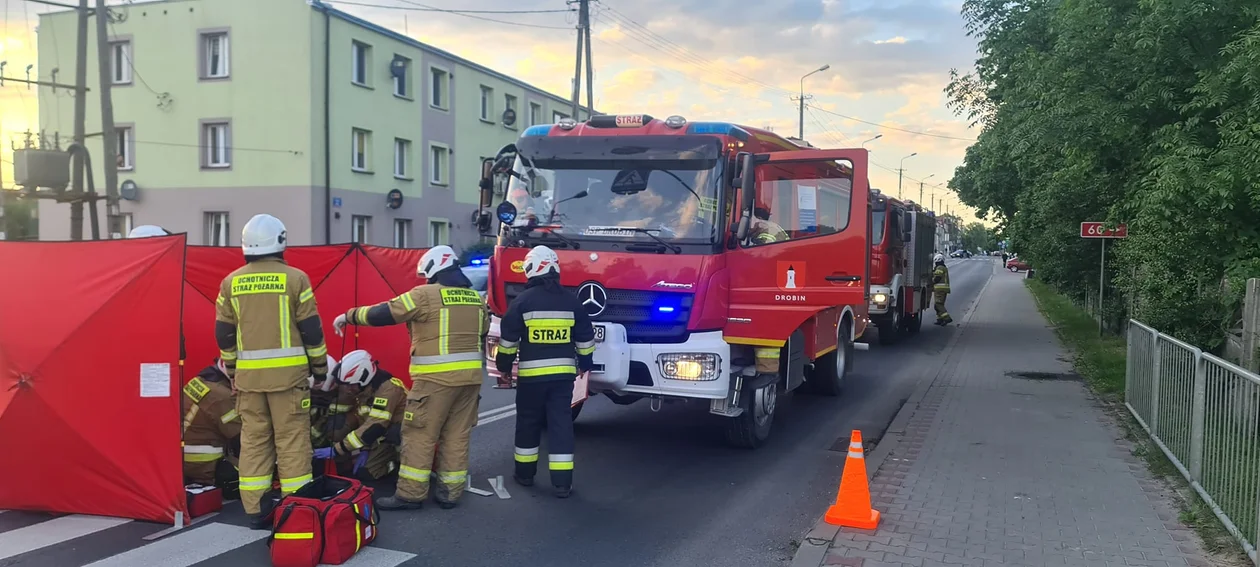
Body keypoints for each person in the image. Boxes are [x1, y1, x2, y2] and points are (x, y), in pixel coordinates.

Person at [333, 245, 488, 511]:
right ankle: (450, 493)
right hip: (471, 381)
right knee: (456, 435)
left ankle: (410, 494)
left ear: (433, 271)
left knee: (419, 435)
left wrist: (349, 316)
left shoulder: (424, 295)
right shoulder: (475, 299)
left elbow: (385, 312)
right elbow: (482, 333)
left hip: (434, 381)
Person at [215, 213, 329, 528]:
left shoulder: (231, 282)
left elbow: (223, 333)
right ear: (280, 241)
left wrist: (233, 370)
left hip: (249, 381)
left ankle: (255, 509)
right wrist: (320, 370)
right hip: (289, 379)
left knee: (253, 440)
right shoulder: (296, 279)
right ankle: (297, 507)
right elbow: (311, 330)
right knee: (292, 440)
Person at [495, 245, 595, 498]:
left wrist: (504, 368)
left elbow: (508, 342)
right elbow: (585, 338)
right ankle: (562, 484)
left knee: (528, 423)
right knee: (561, 425)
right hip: (562, 379)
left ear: (531, 269)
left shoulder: (522, 302)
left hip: (531, 379)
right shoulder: (572, 302)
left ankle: (525, 475)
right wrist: (585, 364)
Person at [314, 350, 407, 480]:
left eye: (349, 385)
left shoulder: (388, 391)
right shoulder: (364, 390)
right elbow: (365, 420)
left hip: (400, 436)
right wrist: (365, 448)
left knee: (395, 433)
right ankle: (388, 463)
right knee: (365, 472)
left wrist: (337, 450)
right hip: (381, 437)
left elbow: (375, 426)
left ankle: (397, 466)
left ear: (364, 378)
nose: (347, 390)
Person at [181, 358, 242, 498]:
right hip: (206, 465)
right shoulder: (222, 397)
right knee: (259, 468)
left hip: (181, 460)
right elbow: (241, 439)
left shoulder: (201, 380)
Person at [932, 253, 953, 326]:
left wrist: (931, 281)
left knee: (938, 304)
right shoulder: (943, 267)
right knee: (938, 305)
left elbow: (937, 278)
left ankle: (947, 318)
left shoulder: (940, 267)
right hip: (943, 289)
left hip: (940, 289)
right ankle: (940, 319)